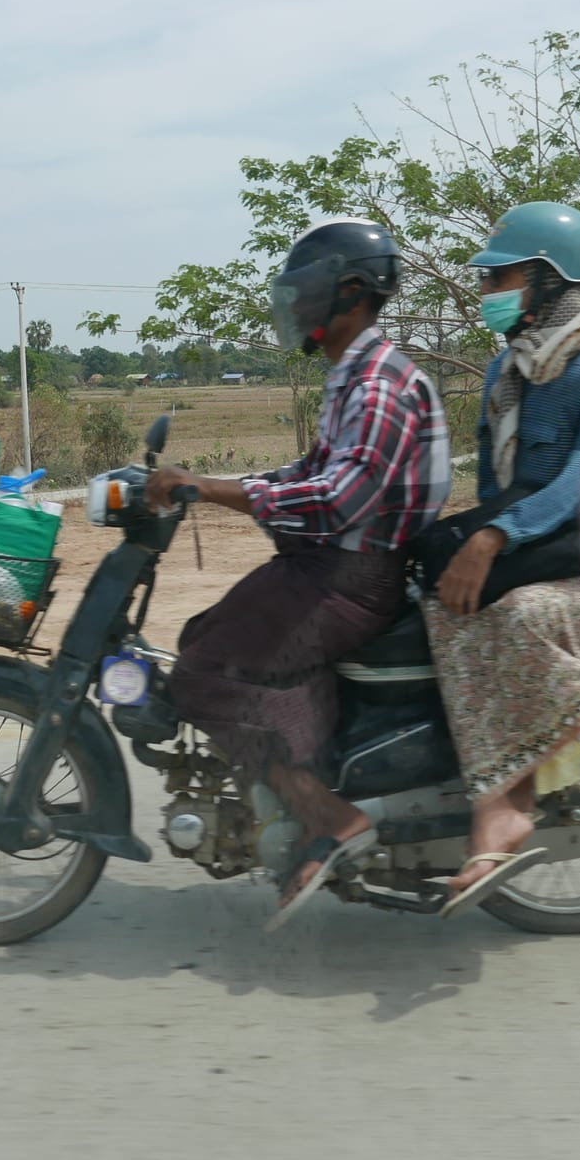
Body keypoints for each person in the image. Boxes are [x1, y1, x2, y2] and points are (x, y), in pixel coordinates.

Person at [146, 218, 451, 929]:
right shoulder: (353, 377)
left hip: (350, 578)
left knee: (199, 674)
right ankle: (299, 783)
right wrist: (211, 485)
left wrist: (215, 491)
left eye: (311, 289)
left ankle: (327, 816)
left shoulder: (379, 385)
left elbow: (341, 497)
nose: (300, 303)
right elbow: (307, 473)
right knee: (204, 638)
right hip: (330, 568)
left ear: (353, 292)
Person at [421, 200, 580, 916]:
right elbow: (494, 484)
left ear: (549, 281)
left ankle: (510, 803)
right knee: (430, 578)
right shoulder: (512, 368)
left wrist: (494, 539)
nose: (487, 291)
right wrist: (460, 534)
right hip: (540, 540)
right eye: (486, 279)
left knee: (513, 612)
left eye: (501, 278)